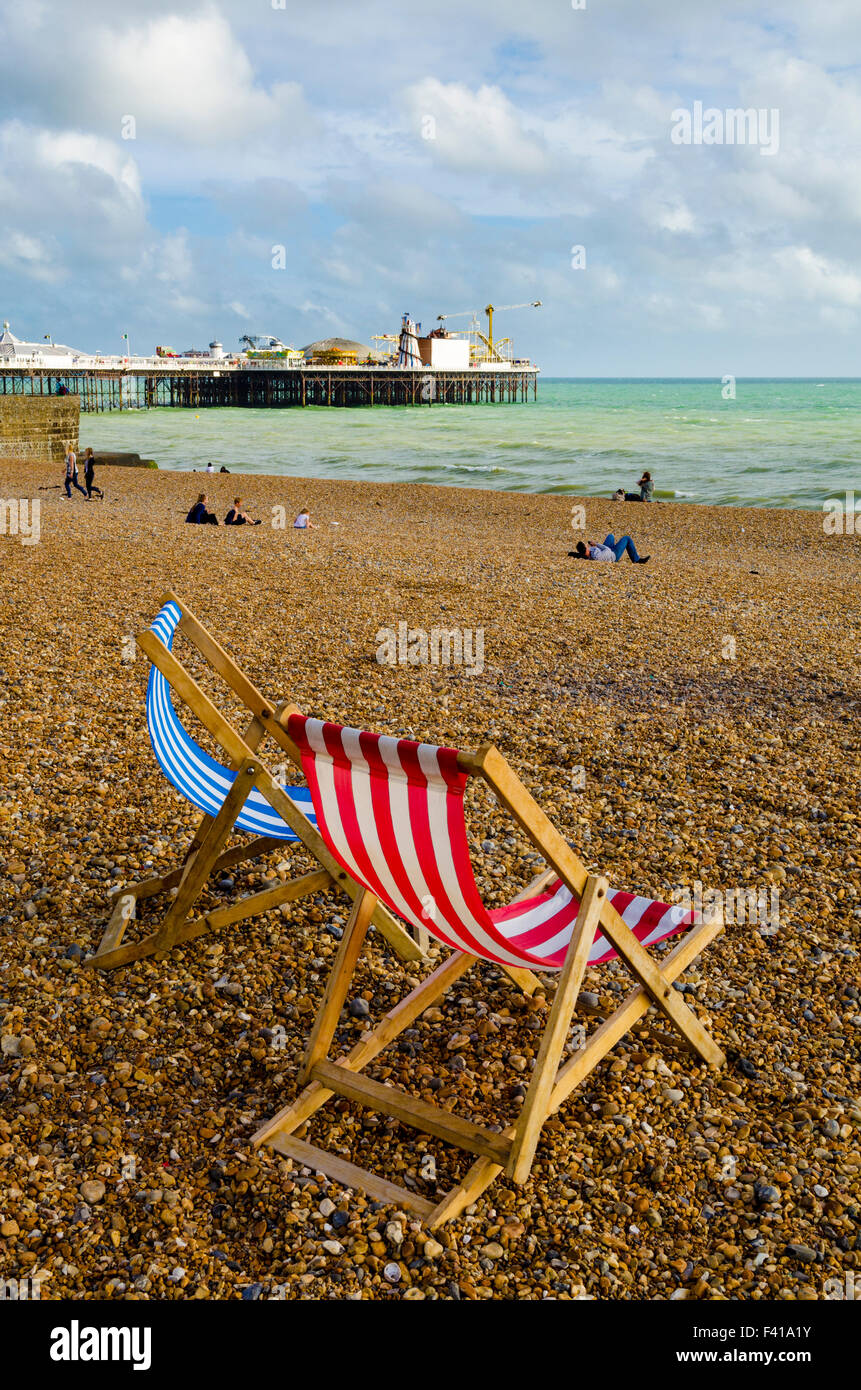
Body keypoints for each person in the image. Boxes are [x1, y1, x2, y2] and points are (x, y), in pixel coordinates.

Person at [569, 533, 649, 563]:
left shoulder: (587, 553)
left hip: (605, 550)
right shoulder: (596, 556)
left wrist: (594, 545)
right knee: (627, 538)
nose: (587, 545)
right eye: (585, 545)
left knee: (610, 536)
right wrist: (596, 544)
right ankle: (636, 560)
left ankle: (636, 558)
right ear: (585, 548)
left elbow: (576, 554)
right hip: (613, 555)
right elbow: (607, 549)